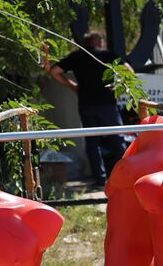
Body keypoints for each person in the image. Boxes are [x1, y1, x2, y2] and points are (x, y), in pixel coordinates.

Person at [47, 32, 124, 185]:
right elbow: (128, 70)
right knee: (117, 140)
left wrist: (73, 86)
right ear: (100, 42)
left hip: (86, 105)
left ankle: (100, 178)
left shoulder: (76, 56)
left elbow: (54, 71)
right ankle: (122, 176)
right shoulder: (108, 55)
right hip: (107, 105)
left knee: (92, 143)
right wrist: (118, 87)